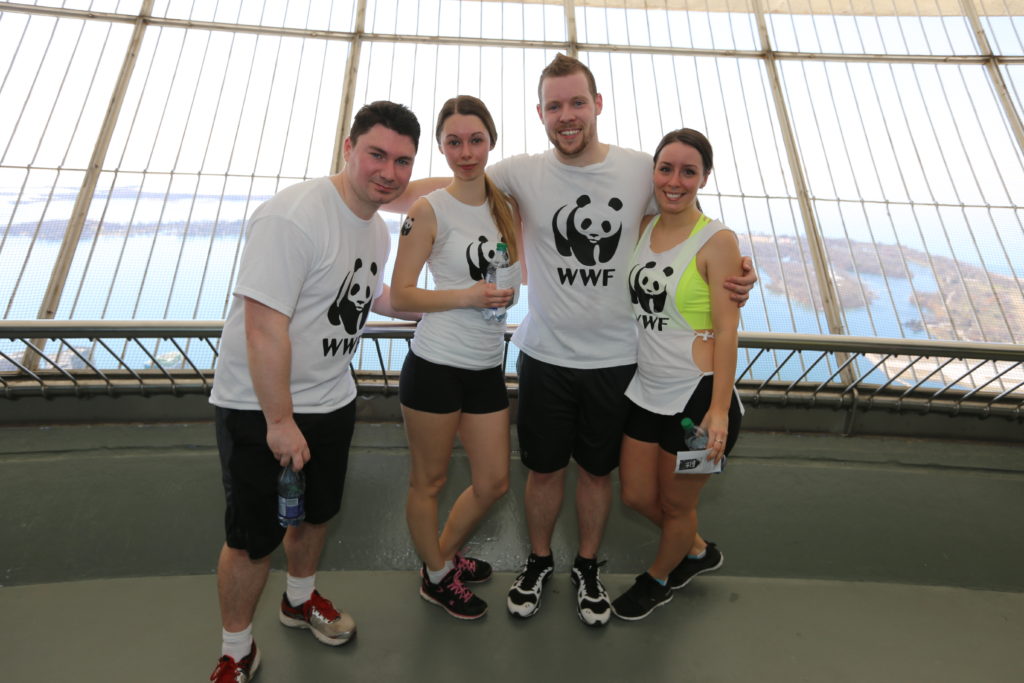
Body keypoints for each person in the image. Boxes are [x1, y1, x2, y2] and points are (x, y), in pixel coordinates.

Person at [391, 53, 756, 628]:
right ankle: (539, 562)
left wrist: (733, 270)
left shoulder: (641, 169)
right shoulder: (522, 171)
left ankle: (586, 565)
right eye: (555, 105)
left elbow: (682, 213)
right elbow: (463, 182)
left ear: (597, 105)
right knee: (542, 471)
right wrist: (381, 193)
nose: (567, 115)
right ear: (539, 113)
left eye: (576, 102)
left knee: (595, 473)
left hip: (618, 362)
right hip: (544, 356)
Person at [207, 101, 421, 682]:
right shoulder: (293, 216)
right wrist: (279, 421)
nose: (389, 171)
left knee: (315, 514)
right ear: (348, 147)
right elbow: (263, 325)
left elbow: (373, 300)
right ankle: (236, 649)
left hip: (330, 400)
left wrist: (452, 305)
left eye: (402, 161)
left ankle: (299, 601)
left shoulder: (376, 229)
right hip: (260, 407)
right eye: (377, 154)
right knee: (253, 538)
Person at [389, 95, 520, 620]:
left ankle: (437, 558)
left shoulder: (504, 207)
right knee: (430, 482)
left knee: (493, 482)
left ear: (491, 141)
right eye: (453, 142)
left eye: (475, 140)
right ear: (440, 148)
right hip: (436, 368)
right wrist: (466, 296)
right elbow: (400, 296)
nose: (465, 152)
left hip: (486, 366)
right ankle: (438, 575)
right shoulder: (428, 210)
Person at [610, 128, 743, 620]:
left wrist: (720, 411)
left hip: (698, 397)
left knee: (677, 504)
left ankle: (658, 579)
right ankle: (697, 550)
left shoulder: (718, 241)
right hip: (647, 389)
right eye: (666, 168)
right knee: (638, 495)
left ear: (704, 177)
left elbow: (728, 331)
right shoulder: (644, 227)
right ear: (654, 174)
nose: (675, 180)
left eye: (689, 171)